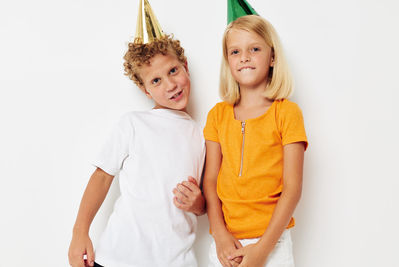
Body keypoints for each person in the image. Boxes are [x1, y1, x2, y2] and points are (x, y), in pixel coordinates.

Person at [68, 1, 205, 266]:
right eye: (156, 81)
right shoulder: (133, 124)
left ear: (185, 65)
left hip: (176, 260)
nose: (170, 85)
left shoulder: (201, 136)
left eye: (173, 71)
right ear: (145, 90)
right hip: (120, 257)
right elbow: (102, 177)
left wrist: (198, 204)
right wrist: (79, 232)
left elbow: (204, 203)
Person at [203, 2, 308, 267]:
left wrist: (262, 249)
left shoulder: (287, 113)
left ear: (272, 57)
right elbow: (211, 181)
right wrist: (219, 235)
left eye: (255, 49)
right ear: (228, 60)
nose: (245, 57)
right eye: (235, 51)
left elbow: (292, 189)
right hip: (227, 243)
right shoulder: (217, 115)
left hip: (273, 242)